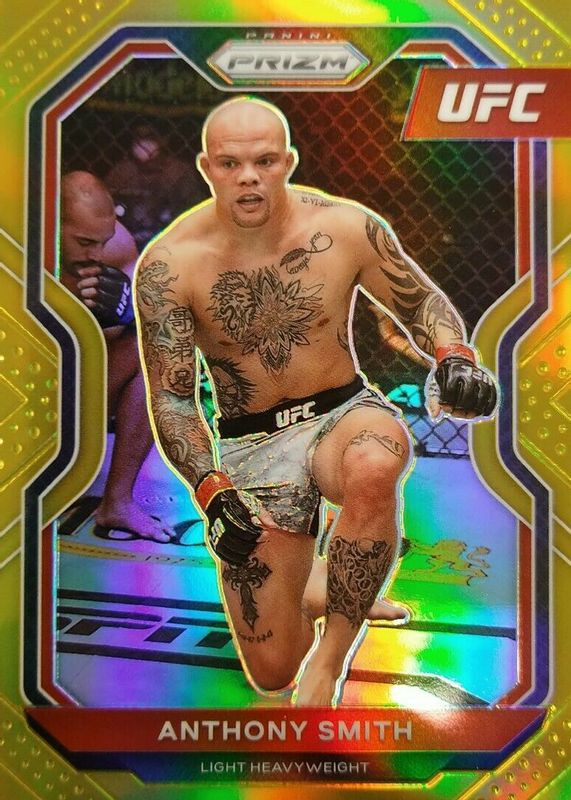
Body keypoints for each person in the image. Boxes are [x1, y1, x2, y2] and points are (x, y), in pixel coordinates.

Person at [134, 98, 497, 706]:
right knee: (272, 670)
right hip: (252, 442)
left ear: (288, 162)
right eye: (230, 163)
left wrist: (454, 354)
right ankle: (320, 584)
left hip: (342, 412)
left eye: (264, 160)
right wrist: (211, 491)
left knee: (377, 460)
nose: (248, 177)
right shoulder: (170, 266)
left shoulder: (345, 227)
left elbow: (419, 301)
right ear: (206, 167)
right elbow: (172, 398)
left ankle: (332, 657)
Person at [60, 171, 174, 542]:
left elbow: (115, 340)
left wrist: (124, 313)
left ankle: (118, 502)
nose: (95, 254)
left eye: (102, 241)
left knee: (157, 349)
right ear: (47, 222)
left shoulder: (118, 247)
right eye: (84, 242)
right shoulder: (12, 246)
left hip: (68, 398)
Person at [105, 122, 204, 251]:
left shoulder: (178, 171)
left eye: (149, 137)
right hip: (128, 235)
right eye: (139, 137)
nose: (143, 142)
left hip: (169, 236)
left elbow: (194, 208)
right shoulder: (122, 171)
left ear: (163, 140)